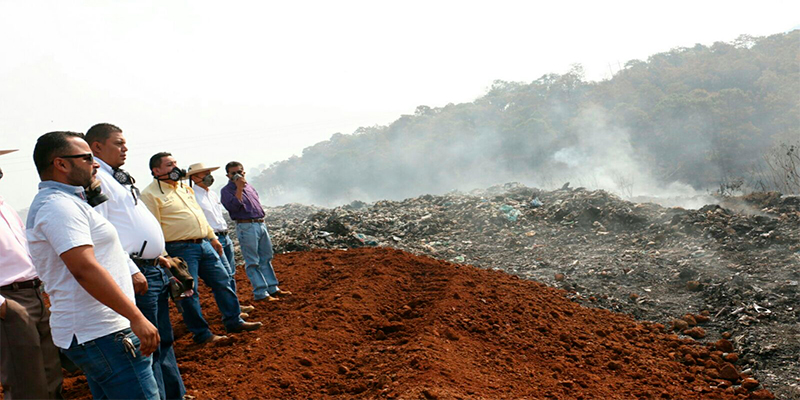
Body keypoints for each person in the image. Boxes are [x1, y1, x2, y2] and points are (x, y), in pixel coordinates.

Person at [26, 132, 159, 400]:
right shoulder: (58, 207)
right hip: (102, 331)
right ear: (61, 164)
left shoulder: (70, 202)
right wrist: (136, 317)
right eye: (87, 158)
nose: (95, 164)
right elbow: (84, 269)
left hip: (99, 330)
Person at [85, 123, 186, 400]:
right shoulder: (97, 181)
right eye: (118, 143)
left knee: (163, 340)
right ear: (97, 147)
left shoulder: (119, 177)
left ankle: (172, 394)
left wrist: (160, 256)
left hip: (152, 268)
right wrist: (131, 268)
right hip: (136, 272)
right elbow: (102, 231)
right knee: (148, 344)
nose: (125, 148)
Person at [140, 152, 261, 345]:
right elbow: (151, 226)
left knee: (223, 280)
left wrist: (212, 238)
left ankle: (234, 321)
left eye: (175, 163)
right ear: (156, 170)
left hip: (203, 244)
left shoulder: (184, 188)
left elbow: (199, 215)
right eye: (169, 165)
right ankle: (203, 335)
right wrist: (164, 255)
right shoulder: (150, 194)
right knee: (188, 293)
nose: (175, 167)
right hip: (179, 248)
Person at [0, 148, 63, 399]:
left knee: (50, 375)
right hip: (9, 300)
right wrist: (4, 306)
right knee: (26, 382)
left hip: (33, 293)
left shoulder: (6, 207)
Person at [186, 163, 255, 315]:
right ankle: (230, 309)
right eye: (203, 174)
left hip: (224, 235)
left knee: (230, 273)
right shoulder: (191, 195)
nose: (208, 176)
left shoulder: (212, 194)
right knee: (222, 276)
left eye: (208, 172)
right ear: (194, 177)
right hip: (211, 238)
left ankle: (233, 304)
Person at [220, 162, 291, 302]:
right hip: (246, 226)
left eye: (240, 171)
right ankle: (260, 292)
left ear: (244, 172)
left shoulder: (250, 187)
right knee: (252, 260)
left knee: (266, 257)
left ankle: (272, 287)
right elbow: (234, 207)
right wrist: (238, 188)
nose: (237, 175)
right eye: (233, 173)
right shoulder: (226, 191)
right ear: (228, 175)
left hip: (260, 223)